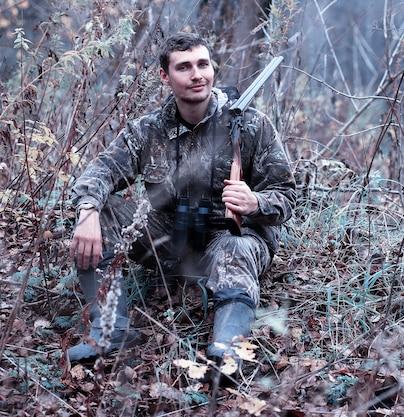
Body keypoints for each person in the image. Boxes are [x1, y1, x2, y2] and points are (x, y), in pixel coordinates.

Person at [67, 32, 296, 379]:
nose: (197, 75)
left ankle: (228, 348)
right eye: (184, 67)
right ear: (165, 76)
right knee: (103, 210)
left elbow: (287, 195)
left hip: (231, 241)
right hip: (170, 243)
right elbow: (98, 174)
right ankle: (111, 332)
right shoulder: (147, 130)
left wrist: (255, 201)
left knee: (236, 245)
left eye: (203, 64)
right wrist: (87, 213)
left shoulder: (250, 125)